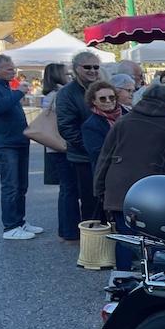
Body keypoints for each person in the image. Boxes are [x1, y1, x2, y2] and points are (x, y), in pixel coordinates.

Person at [94, 84, 165, 272]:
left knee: (125, 238)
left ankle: (122, 279)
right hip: (152, 195)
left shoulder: (123, 121)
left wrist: (99, 189)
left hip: (118, 189)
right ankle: (157, 278)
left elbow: (104, 158)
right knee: (156, 239)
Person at [0, 54, 41, 241]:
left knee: (21, 185)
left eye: (13, 68)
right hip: (4, 142)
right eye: (9, 69)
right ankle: (10, 226)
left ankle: (19, 221)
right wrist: (19, 93)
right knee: (11, 185)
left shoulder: (5, 86)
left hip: (18, 140)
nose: (13, 71)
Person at [55, 50, 104, 222]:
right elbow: (66, 128)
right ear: (76, 69)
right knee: (90, 201)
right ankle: (93, 241)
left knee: (102, 200)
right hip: (83, 157)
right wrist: (91, 147)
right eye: (87, 67)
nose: (92, 70)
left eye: (96, 67)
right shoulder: (67, 93)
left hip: (103, 155)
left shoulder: (101, 88)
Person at [38, 63, 78, 239]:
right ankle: (70, 229)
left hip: (53, 147)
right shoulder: (60, 94)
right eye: (66, 73)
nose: (69, 76)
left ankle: (66, 229)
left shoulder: (48, 95)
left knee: (65, 189)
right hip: (61, 146)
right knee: (70, 189)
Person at [81, 80, 125, 171]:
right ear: (94, 101)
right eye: (102, 98)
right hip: (108, 171)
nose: (108, 101)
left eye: (111, 97)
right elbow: (98, 154)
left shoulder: (127, 115)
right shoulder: (90, 125)